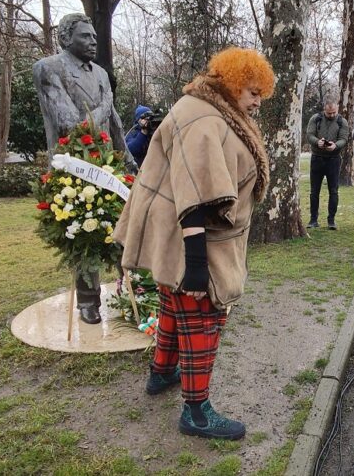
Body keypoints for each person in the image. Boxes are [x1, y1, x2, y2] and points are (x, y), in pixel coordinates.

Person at [114, 47, 274, 440]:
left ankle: (162, 372)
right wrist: (198, 265)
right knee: (203, 315)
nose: (257, 102)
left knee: (173, 302)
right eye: (253, 92)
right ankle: (196, 411)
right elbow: (197, 196)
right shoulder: (202, 115)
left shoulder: (212, 109)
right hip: (194, 235)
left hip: (189, 232)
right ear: (233, 82)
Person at [33, 13, 136, 324]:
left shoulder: (102, 74)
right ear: (67, 39)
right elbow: (70, 123)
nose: (93, 42)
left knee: (124, 230)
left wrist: (128, 159)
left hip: (108, 165)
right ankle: (88, 302)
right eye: (85, 37)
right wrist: (107, 102)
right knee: (84, 235)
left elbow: (115, 122)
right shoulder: (49, 68)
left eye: (94, 36)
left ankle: (131, 290)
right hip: (73, 168)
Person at [306, 94, 349, 230]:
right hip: (317, 158)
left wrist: (335, 145)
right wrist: (317, 142)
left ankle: (331, 220)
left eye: (334, 113)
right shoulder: (316, 119)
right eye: (328, 113)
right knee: (314, 191)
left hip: (334, 160)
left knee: (333, 191)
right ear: (324, 109)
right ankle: (313, 219)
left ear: (337, 109)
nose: (331, 115)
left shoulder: (342, 121)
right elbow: (309, 134)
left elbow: (344, 138)